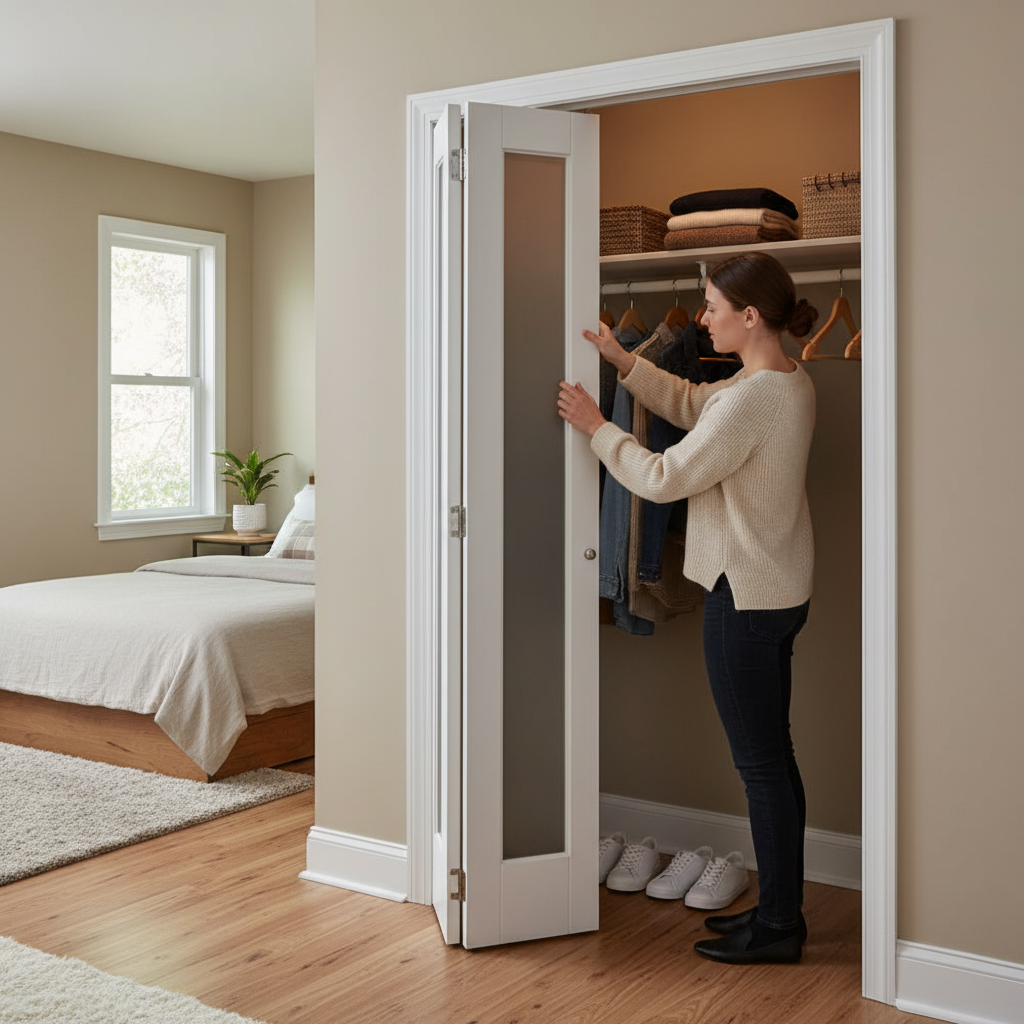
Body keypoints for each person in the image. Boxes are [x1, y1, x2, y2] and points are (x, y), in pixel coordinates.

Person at [557, 252, 818, 965]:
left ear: (749, 315)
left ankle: (777, 929)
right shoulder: (783, 381)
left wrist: (595, 426)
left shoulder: (750, 398)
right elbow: (695, 405)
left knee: (761, 766)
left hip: (745, 599)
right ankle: (778, 914)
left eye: (710, 307)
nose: (701, 318)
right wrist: (621, 359)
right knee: (775, 762)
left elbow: (664, 476)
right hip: (779, 592)